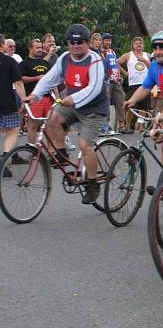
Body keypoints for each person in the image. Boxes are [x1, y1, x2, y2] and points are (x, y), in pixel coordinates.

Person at [30, 24, 109, 204]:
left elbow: (95, 89)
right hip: (73, 103)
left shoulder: (95, 60)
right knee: (52, 119)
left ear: (87, 43)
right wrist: (34, 95)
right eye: (72, 42)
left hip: (94, 109)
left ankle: (92, 183)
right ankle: (61, 154)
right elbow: (50, 78)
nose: (75, 45)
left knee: (84, 145)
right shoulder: (65, 58)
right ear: (67, 44)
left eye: (80, 42)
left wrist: (73, 99)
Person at [123, 31, 163, 164]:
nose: (157, 51)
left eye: (162, 47)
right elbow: (145, 87)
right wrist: (132, 100)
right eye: (154, 48)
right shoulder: (155, 66)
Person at [0, 34, 30, 177]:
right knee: (12, 131)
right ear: (2, 44)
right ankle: (4, 159)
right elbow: (18, 82)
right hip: (6, 101)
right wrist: (24, 99)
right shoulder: (9, 61)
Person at [20, 38, 55, 144]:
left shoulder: (45, 63)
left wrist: (57, 97)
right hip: (34, 97)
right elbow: (20, 79)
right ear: (30, 48)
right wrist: (36, 78)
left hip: (48, 97)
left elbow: (53, 81)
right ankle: (32, 150)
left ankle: (51, 152)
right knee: (33, 124)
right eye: (37, 48)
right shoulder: (24, 64)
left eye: (41, 47)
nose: (40, 50)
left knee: (50, 124)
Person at [117, 36, 151, 131]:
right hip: (133, 84)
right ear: (133, 45)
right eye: (136, 43)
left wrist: (144, 60)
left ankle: (140, 126)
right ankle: (127, 126)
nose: (139, 45)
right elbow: (117, 62)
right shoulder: (128, 55)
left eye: (140, 43)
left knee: (144, 108)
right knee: (131, 106)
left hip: (145, 84)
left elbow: (152, 67)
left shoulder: (147, 55)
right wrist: (125, 73)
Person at [101, 33, 128, 133]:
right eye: (106, 40)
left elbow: (115, 64)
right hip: (107, 80)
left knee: (120, 100)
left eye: (109, 40)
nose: (108, 42)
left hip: (116, 80)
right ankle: (106, 125)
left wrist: (120, 75)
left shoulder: (112, 51)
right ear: (102, 41)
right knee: (106, 102)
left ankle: (121, 125)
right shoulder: (101, 52)